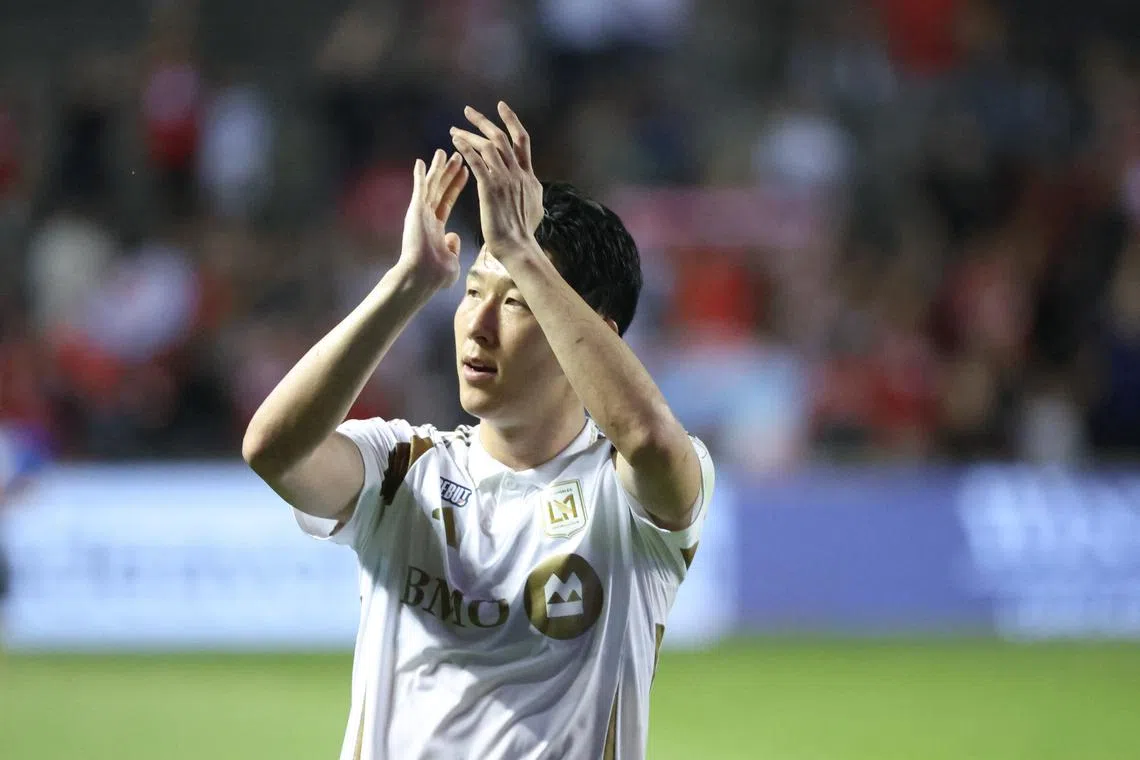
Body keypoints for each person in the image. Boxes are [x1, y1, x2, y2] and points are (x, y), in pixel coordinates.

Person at [243, 101, 715, 760]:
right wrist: (408, 283)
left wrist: (525, 251)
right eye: (471, 292)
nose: (477, 323)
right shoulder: (403, 468)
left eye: (516, 300)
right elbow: (272, 449)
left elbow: (651, 440)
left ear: (586, 332)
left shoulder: (626, 494)